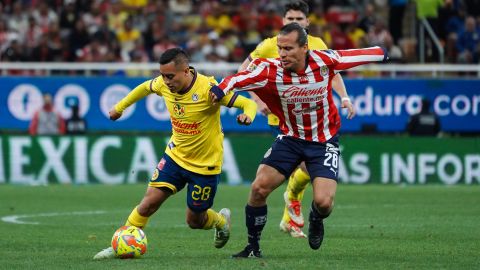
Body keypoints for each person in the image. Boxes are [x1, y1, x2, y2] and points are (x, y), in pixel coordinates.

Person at [210, 23, 388, 257]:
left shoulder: (324, 61)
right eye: (280, 48)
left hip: (324, 142)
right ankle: (253, 247)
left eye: (289, 48)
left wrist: (381, 52)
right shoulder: (269, 70)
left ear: (305, 48)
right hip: (290, 139)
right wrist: (221, 89)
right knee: (258, 188)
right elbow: (238, 78)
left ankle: (316, 217)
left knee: (324, 203)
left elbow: (352, 56)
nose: (283, 54)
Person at [93, 48, 257, 259]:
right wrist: (119, 107)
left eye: (170, 76)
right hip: (175, 157)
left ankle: (220, 222)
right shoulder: (163, 84)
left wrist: (248, 115)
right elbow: (144, 87)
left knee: (194, 221)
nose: (166, 81)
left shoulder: (209, 89)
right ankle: (120, 244)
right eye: (163, 75)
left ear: (186, 71)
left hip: (205, 166)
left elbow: (248, 103)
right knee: (148, 203)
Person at [237, 0, 355, 238]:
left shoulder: (317, 45)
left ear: (307, 22)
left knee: (304, 170)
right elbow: (243, 72)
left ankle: (291, 206)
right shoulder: (271, 45)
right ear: (283, 21)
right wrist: (259, 102)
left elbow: (332, 73)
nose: (294, 22)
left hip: (313, 121)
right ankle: (290, 209)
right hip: (283, 121)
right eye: (290, 19)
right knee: (292, 169)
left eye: (299, 19)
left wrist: (344, 97)